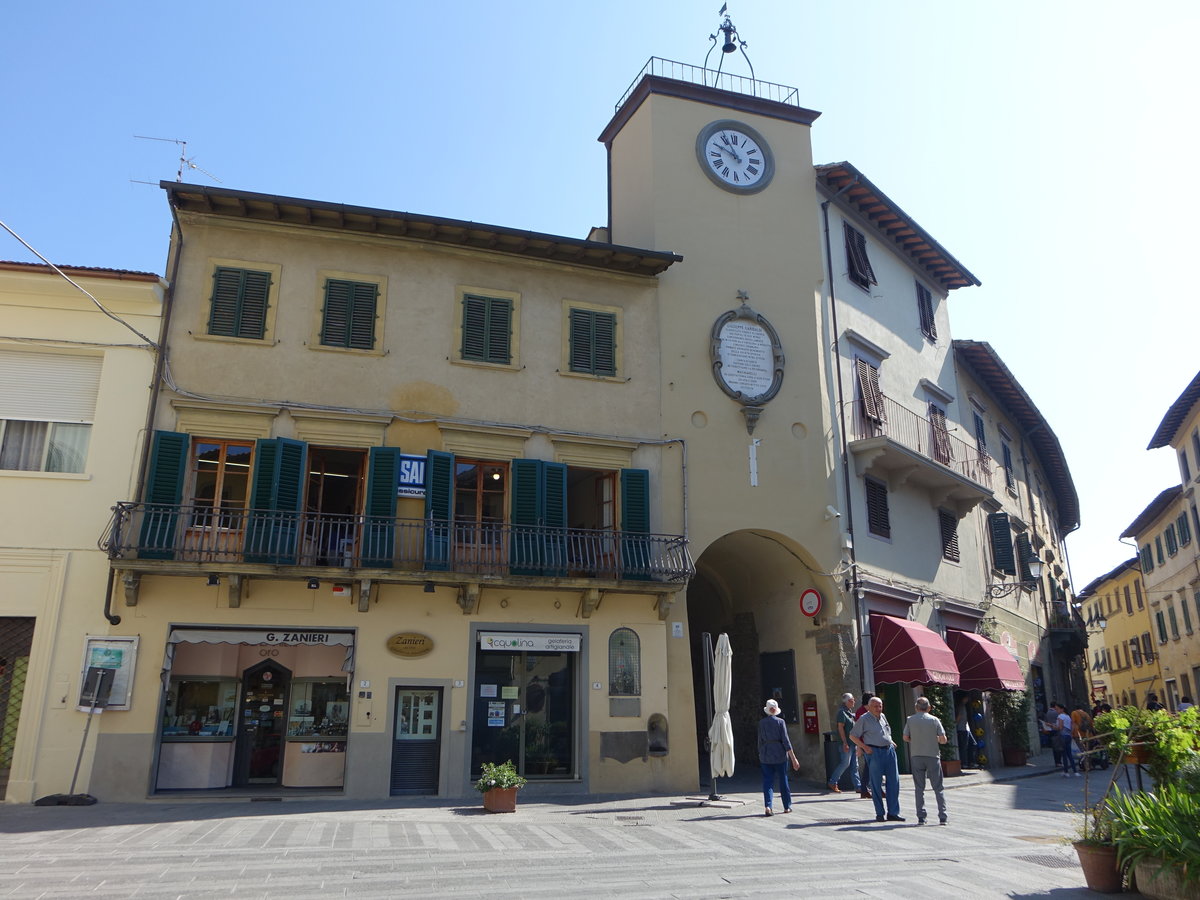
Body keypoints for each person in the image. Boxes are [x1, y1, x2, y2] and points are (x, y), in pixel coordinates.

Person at [850, 695, 905, 822]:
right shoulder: (864, 719)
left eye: (880, 706)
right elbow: (853, 736)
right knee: (876, 784)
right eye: (875, 706)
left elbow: (886, 732)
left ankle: (893, 812)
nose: (878, 708)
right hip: (874, 752)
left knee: (894, 782)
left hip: (889, 751)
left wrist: (891, 741)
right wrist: (864, 747)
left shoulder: (883, 716)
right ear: (869, 707)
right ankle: (880, 813)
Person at [903, 696, 948, 825]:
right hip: (933, 755)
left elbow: (905, 737)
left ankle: (921, 817)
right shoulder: (934, 720)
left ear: (916, 707)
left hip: (917, 755)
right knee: (938, 787)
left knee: (919, 788)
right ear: (928, 708)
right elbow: (943, 739)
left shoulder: (910, 720)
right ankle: (942, 816)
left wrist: (915, 740)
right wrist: (935, 740)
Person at [757, 698, 799, 817]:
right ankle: (787, 806)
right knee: (783, 780)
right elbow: (786, 741)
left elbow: (759, 741)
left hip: (766, 754)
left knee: (767, 781)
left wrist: (760, 753)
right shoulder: (780, 722)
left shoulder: (761, 723)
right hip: (780, 754)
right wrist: (793, 758)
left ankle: (768, 806)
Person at [828, 692, 860, 793]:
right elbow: (840, 728)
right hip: (846, 743)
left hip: (853, 742)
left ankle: (858, 787)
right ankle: (833, 782)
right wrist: (844, 742)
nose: (854, 701)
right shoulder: (842, 712)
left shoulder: (850, 712)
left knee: (855, 766)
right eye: (851, 700)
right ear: (846, 702)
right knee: (845, 763)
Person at [854, 692, 874, 800]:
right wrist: (859, 746)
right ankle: (865, 789)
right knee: (870, 767)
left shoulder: (869, 711)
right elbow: (858, 732)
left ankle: (865, 789)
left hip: (871, 743)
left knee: (870, 766)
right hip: (865, 744)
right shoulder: (861, 713)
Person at [1051, 702, 1079, 777]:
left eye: (1057, 709)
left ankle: (1066, 771)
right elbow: (1071, 725)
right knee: (1069, 754)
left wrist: (1052, 726)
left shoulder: (1060, 716)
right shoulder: (1068, 716)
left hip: (1062, 736)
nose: (1056, 711)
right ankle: (1075, 771)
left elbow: (1060, 727)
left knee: (1064, 754)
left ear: (1061, 709)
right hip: (1068, 736)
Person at [955, 698, 973, 769]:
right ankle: (964, 763)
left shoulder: (963, 706)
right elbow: (959, 716)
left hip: (965, 728)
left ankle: (968, 762)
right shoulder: (961, 706)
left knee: (967, 746)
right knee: (963, 747)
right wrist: (954, 724)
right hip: (962, 729)